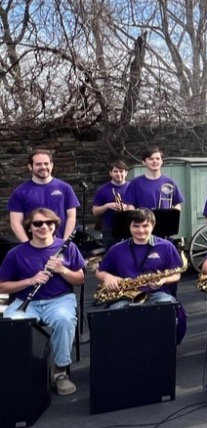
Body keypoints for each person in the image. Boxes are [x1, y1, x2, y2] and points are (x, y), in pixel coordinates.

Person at [1, 208, 86, 396]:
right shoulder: (16, 253)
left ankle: (60, 373)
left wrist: (62, 270)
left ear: (55, 225)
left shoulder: (68, 247)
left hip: (60, 299)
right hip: (26, 302)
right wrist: (29, 281)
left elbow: (80, 280)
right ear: (29, 227)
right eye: (38, 223)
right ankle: (20, 371)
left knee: (64, 320)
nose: (44, 227)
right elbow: (2, 287)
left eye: (49, 223)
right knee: (10, 324)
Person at [95, 209, 184, 309]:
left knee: (167, 305)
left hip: (157, 294)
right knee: (115, 311)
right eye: (136, 226)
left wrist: (163, 280)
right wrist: (107, 277)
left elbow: (177, 274)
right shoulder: (116, 249)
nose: (141, 230)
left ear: (153, 225)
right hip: (125, 296)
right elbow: (99, 271)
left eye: (145, 226)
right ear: (129, 226)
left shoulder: (166, 246)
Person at [8, 149, 80, 241]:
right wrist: (28, 245)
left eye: (46, 163)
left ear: (52, 165)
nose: (43, 167)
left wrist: (65, 242)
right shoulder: (20, 192)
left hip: (60, 243)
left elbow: (71, 217)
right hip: (33, 244)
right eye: (38, 164)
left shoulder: (65, 188)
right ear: (30, 166)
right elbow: (15, 223)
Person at [121, 146, 184, 210]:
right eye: (151, 159)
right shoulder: (135, 183)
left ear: (162, 161)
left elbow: (177, 205)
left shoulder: (169, 183)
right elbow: (130, 206)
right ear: (144, 162)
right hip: (143, 216)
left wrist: (174, 214)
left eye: (157, 158)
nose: (155, 161)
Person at [92, 160, 130, 249]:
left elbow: (141, 207)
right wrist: (107, 206)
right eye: (115, 171)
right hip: (110, 229)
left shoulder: (133, 187)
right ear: (110, 173)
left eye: (121, 171)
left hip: (130, 226)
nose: (118, 174)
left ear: (126, 173)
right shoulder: (102, 190)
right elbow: (95, 212)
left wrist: (128, 207)